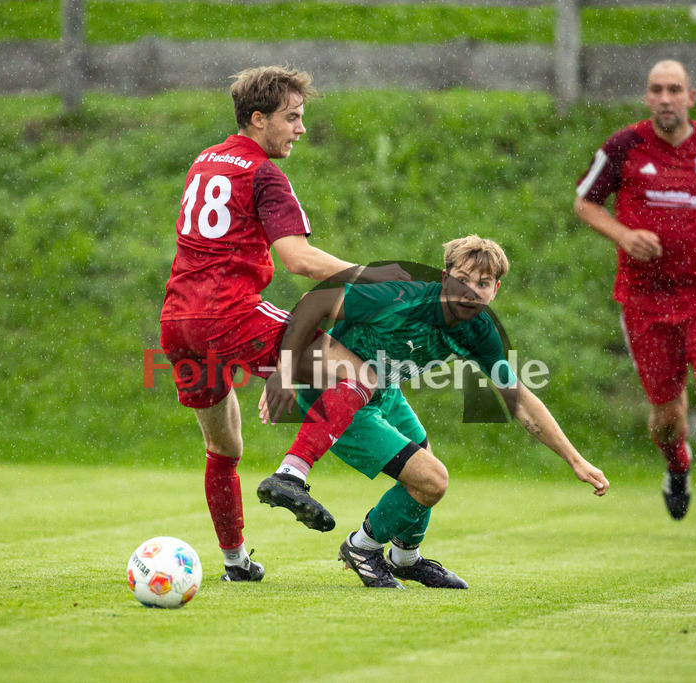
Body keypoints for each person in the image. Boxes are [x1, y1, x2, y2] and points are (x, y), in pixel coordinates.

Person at [159, 66, 409, 582]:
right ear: (258, 119)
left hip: (178, 320)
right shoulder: (264, 173)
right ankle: (292, 473)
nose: (300, 128)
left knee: (224, 448)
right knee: (361, 374)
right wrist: (372, 276)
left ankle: (236, 563)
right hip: (229, 312)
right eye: (291, 117)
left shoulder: (206, 159)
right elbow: (298, 259)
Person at [262, 236, 609, 588]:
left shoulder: (479, 331)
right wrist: (284, 372)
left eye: (482, 284)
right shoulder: (401, 299)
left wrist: (575, 460)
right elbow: (315, 302)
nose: (470, 292)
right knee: (432, 480)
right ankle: (362, 547)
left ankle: (405, 559)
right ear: (445, 278)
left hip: (384, 391)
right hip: (337, 396)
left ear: (495, 290)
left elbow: (517, 398)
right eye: (462, 279)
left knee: (425, 465)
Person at [574, 60, 696, 544]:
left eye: (674, 89)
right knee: (667, 416)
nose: (665, 98)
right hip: (645, 300)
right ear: (646, 97)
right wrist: (623, 234)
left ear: (690, 97)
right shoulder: (623, 147)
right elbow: (585, 202)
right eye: (656, 90)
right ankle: (677, 467)